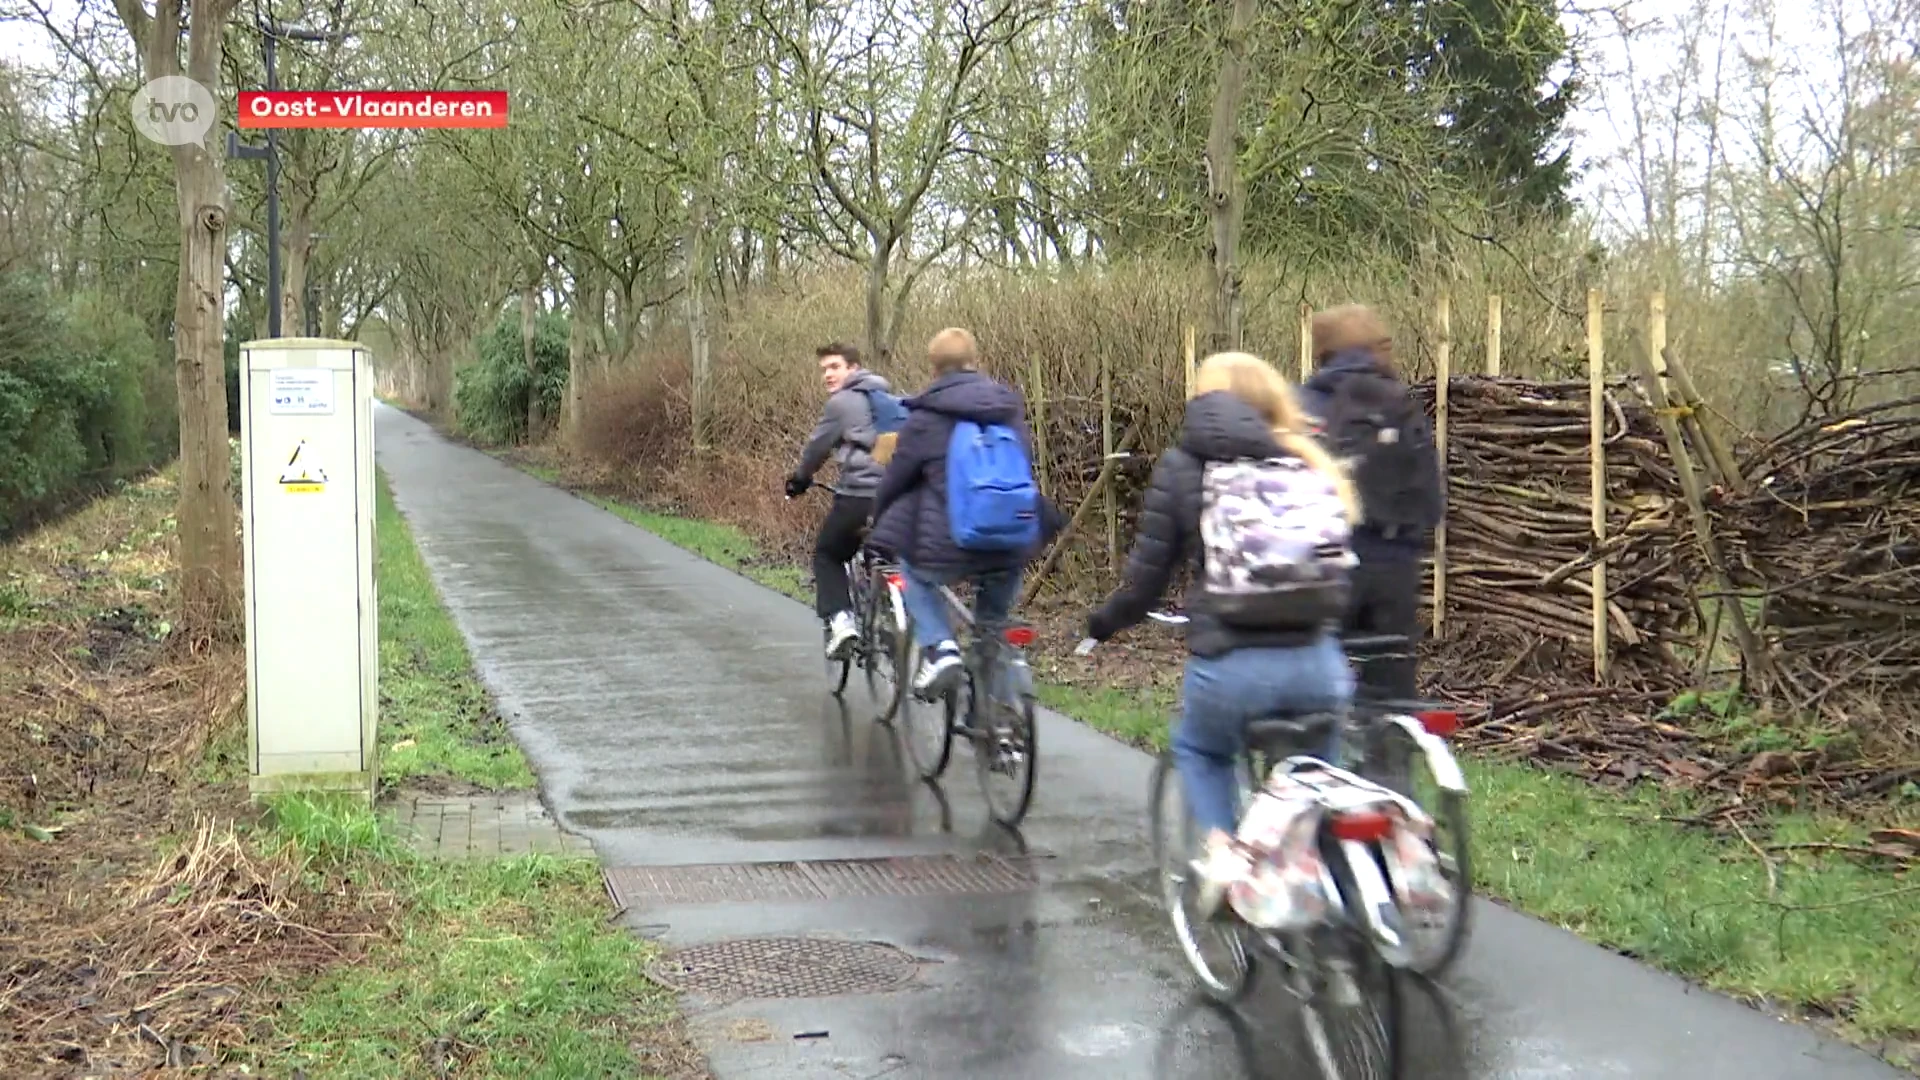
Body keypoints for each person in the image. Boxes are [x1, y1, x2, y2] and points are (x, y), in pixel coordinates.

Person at [1083, 351, 1361, 915]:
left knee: (1200, 748)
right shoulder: (1307, 455)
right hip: (1320, 665)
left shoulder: (1187, 465)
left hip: (1234, 667)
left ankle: (1225, 857)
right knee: (1317, 780)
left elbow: (1145, 583)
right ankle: (1345, 904)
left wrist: (1102, 624)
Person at [868, 328, 1060, 702]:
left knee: (914, 575)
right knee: (991, 627)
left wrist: (879, 521)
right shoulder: (1009, 410)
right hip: (1012, 539)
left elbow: (896, 479)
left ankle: (941, 650)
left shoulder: (924, 418)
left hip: (951, 543)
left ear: (934, 369)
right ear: (975, 361)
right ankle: (1002, 728)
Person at [1295, 304, 1444, 703]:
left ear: (1323, 351)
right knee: (1390, 687)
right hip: (1394, 573)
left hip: (1327, 572)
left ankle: (1310, 756)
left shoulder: (1305, 405)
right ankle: (1391, 757)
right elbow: (1431, 497)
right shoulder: (1399, 403)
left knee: (1308, 687)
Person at [786, 342, 903, 661]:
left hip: (859, 496)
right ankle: (889, 616)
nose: (827, 374)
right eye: (824, 369)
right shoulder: (888, 400)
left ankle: (842, 623)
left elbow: (816, 449)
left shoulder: (841, 403)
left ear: (853, 368)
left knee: (827, 554)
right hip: (897, 496)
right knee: (884, 557)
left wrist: (799, 480)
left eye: (834, 367)